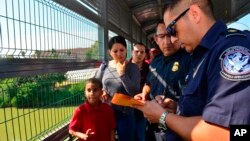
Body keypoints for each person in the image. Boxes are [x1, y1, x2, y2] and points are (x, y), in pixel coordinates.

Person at [135, 0, 250, 141]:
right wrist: (177, 108)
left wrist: (164, 117)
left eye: (172, 30)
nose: (173, 39)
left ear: (194, 14)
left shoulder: (231, 52)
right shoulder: (202, 55)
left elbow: (231, 134)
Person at [134, 19, 191, 141]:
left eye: (171, 35)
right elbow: (148, 83)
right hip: (153, 126)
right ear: (156, 39)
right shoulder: (155, 62)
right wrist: (144, 94)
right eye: (162, 36)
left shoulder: (189, 60)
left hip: (177, 127)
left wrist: (177, 106)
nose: (167, 41)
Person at [95, 35, 141, 141]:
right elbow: (96, 83)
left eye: (121, 50)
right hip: (107, 112)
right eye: (115, 51)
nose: (119, 54)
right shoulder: (105, 67)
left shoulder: (132, 68)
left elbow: (134, 91)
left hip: (125, 113)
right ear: (109, 52)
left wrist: (122, 75)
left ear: (126, 50)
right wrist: (102, 90)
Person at [129, 42, 149, 141]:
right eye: (136, 51)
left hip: (142, 108)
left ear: (145, 54)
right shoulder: (124, 67)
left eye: (142, 52)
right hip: (127, 108)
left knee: (141, 136)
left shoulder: (149, 68)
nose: (139, 54)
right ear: (132, 52)